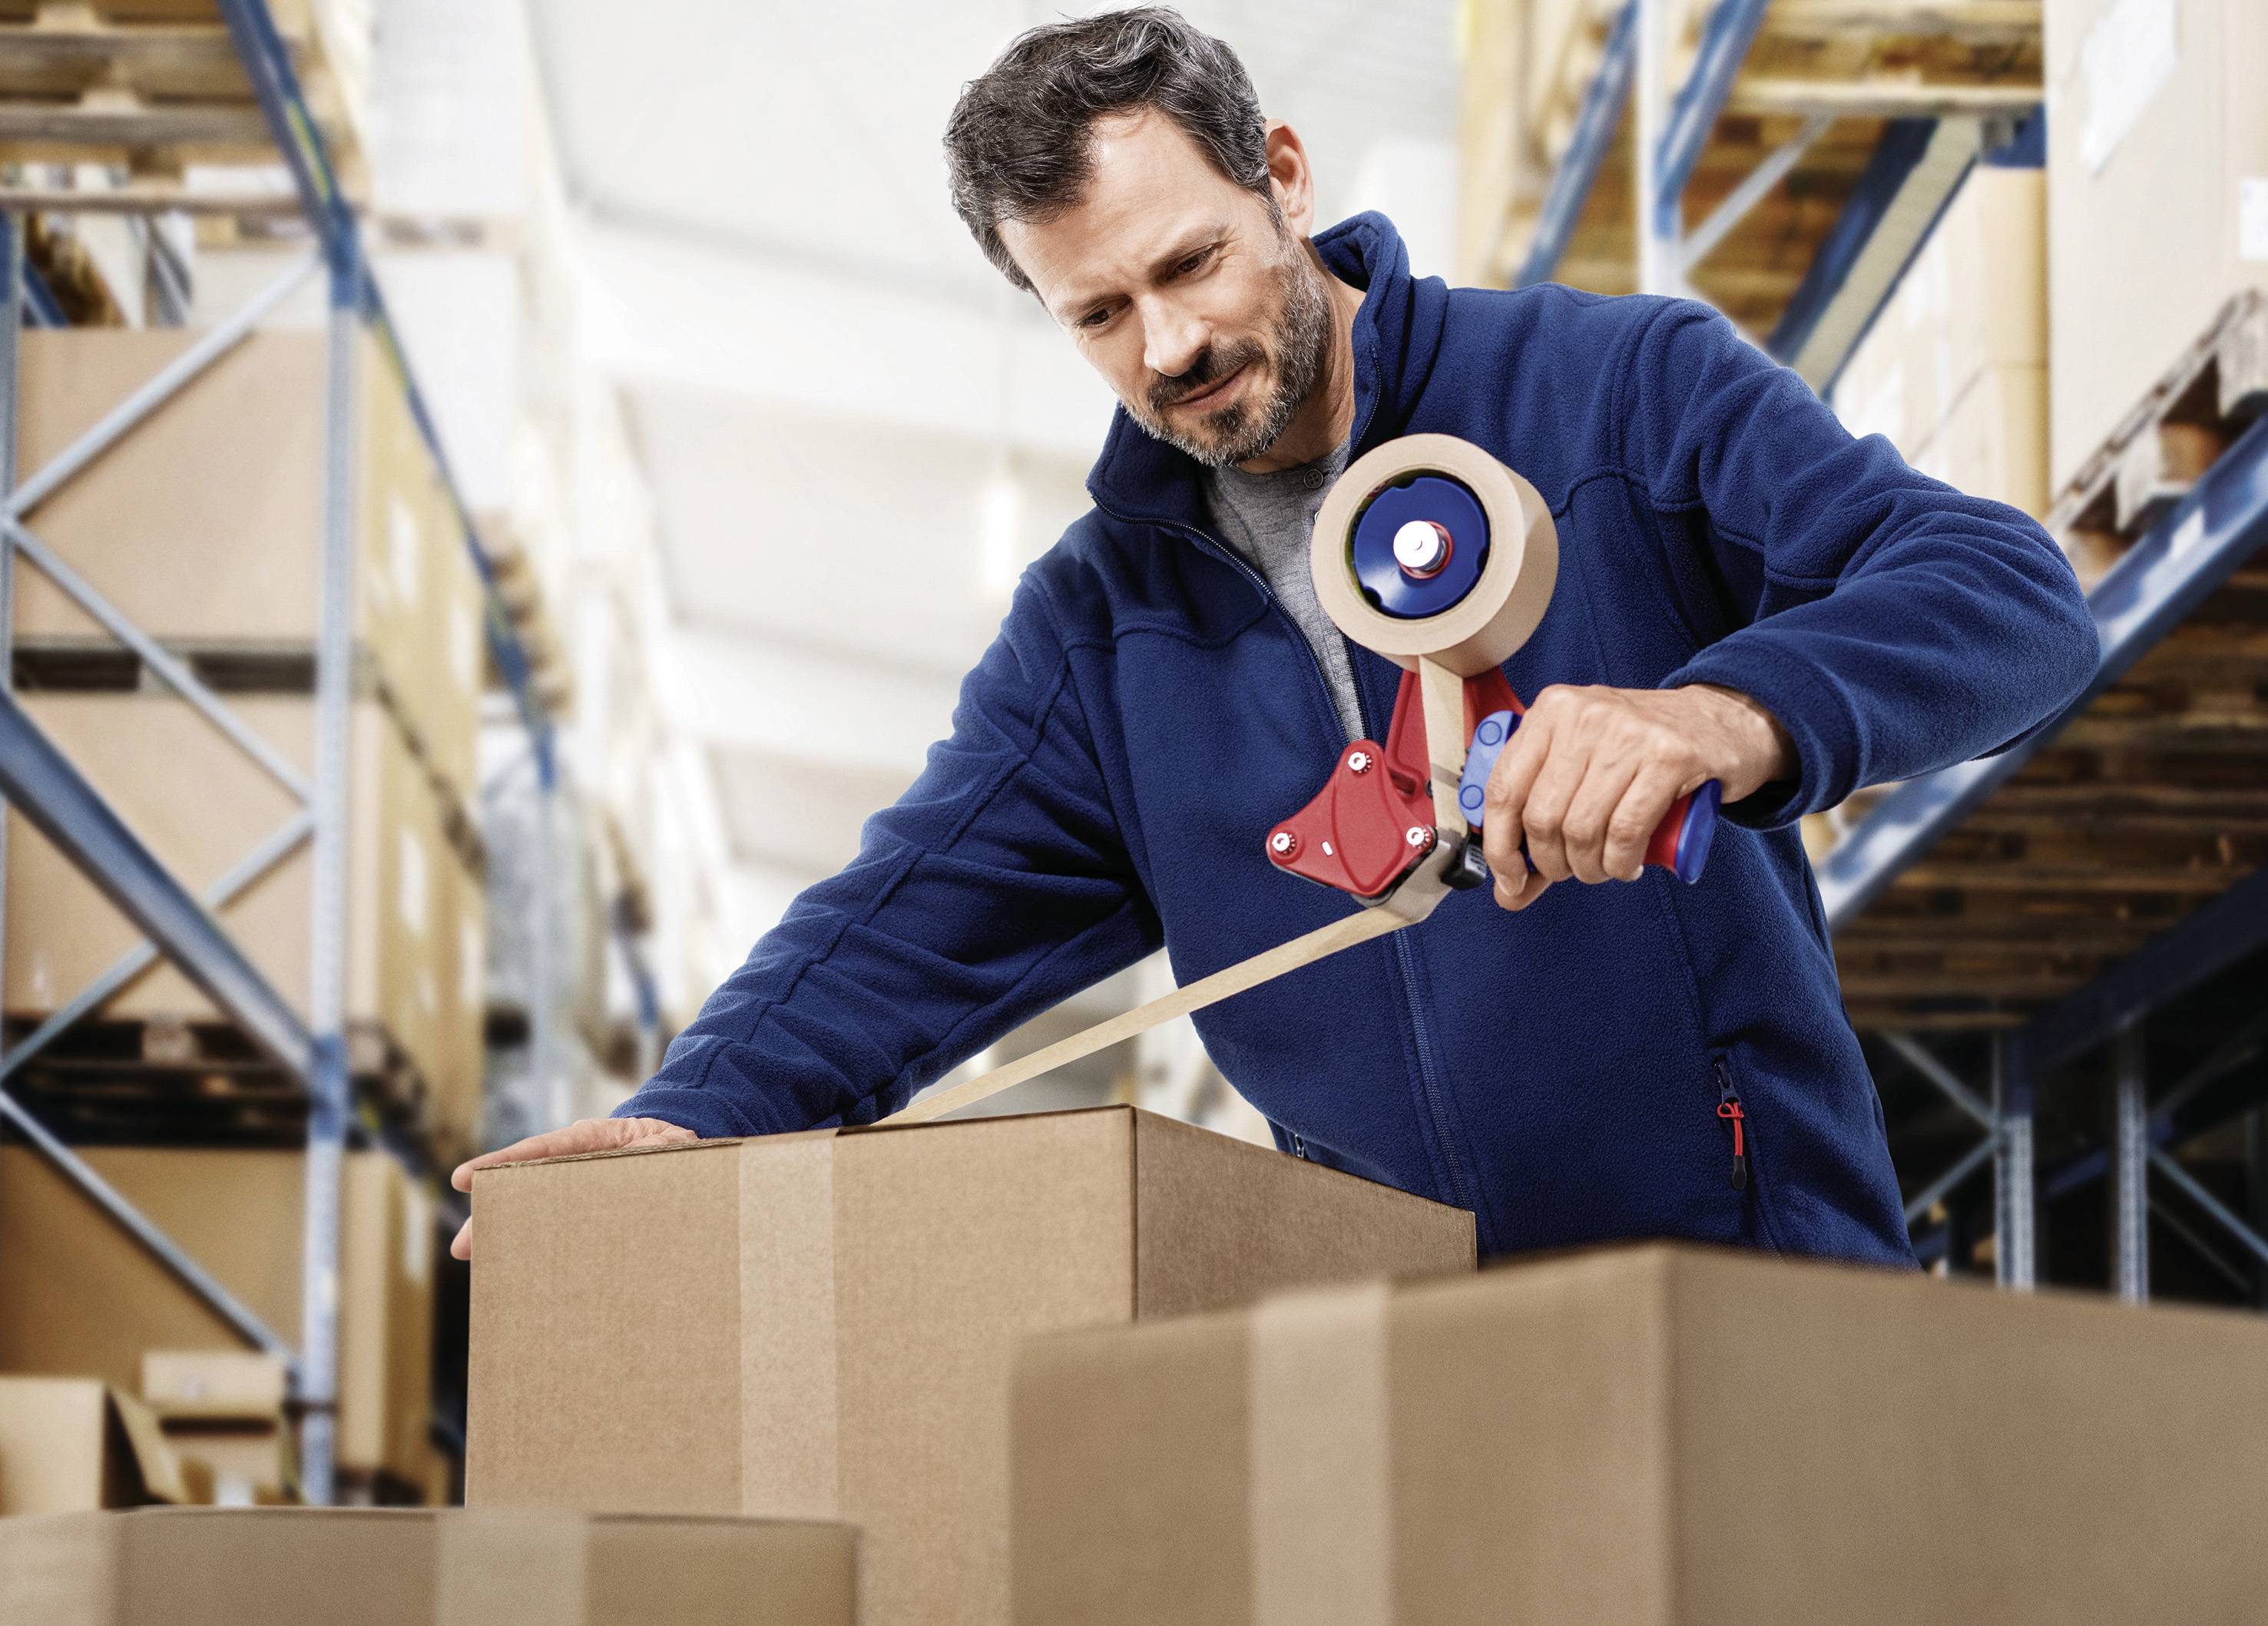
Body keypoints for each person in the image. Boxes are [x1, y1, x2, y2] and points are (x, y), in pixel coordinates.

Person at [451, 8, 2096, 1264]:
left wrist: (1719, 718)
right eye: (1097, 313)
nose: (1168, 344)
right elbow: (899, 924)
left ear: (1285, 181)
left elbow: (2006, 596)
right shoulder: (1101, 630)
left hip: (1752, 1287)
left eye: (1190, 263)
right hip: (1391, 1365)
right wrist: (686, 1119)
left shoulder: (1612, 391)